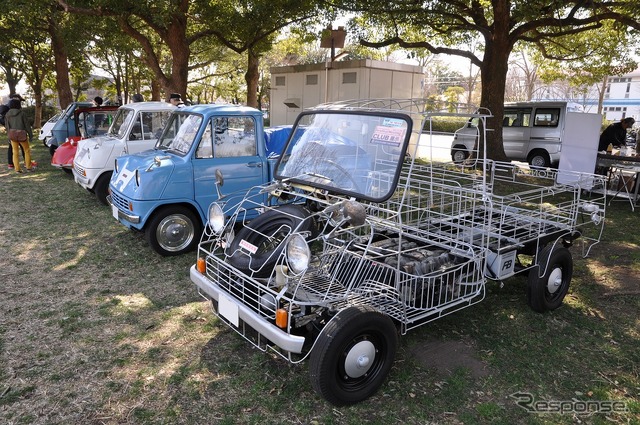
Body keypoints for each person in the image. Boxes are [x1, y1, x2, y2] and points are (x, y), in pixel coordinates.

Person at [5, 98, 33, 173]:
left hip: (12, 135)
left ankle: (17, 169)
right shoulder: (22, 113)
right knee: (26, 150)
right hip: (22, 135)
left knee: (15, 152)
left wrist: (9, 136)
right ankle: (28, 167)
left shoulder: (7, 114)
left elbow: (7, 126)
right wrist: (30, 135)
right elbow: (27, 125)